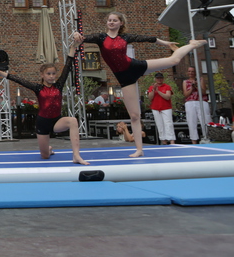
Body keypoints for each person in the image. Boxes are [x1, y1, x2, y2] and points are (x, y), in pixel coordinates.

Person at [78, 12, 205, 157]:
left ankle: (192, 44)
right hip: (124, 78)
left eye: (115, 20)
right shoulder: (101, 37)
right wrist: (77, 36)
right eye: (109, 20)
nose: (111, 22)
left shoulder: (125, 37)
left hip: (134, 67)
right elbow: (83, 38)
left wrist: (166, 43)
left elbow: (147, 38)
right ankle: (139, 149)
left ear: (121, 23)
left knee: (174, 60)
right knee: (134, 115)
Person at [0, 33, 89, 165]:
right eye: (48, 74)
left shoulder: (59, 85)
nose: (51, 76)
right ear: (42, 75)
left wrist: (73, 47)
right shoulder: (38, 88)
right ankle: (49, 149)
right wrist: (1, 73)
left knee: (73, 121)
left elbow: (68, 66)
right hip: (42, 123)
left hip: (57, 121)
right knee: (44, 156)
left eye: (53, 74)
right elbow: (19, 80)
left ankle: (76, 155)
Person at [183, 66, 211, 144]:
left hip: (201, 101)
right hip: (190, 102)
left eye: (192, 71)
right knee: (191, 121)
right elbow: (186, 94)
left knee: (205, 120)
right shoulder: (185, 82)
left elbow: (203, 92)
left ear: (195, 72)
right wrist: (192, 88)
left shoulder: (200, 79)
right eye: (189, 71)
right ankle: (194, 140)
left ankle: (207, 137)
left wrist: (196, 86)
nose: (191, 73)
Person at [147, 72, 175, 145]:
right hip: (156, 108)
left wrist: (158, 91)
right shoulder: (151, 87)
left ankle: (171, 140)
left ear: (163, 79)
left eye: (160, 78)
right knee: (160, 125)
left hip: (166, 108)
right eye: (158, 78)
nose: (159, 79)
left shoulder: (167, 86)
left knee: (168, 124)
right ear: (155, 79)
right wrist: (153, 90)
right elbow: (150, 97)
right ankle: (163, 141)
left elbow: (167, 97)